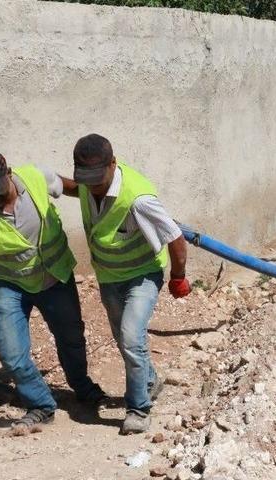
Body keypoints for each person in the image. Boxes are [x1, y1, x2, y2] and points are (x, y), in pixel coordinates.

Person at [0, 150, 104, 432]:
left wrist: (103, 199)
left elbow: (75, 188)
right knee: (11, 354)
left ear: (9, 173)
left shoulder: (37, 177)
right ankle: (42, 405)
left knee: (71, 336)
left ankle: (83, 387)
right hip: (10, 285)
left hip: (55, 277)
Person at [66, 134, 190, 435]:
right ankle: (149, 381)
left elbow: (175, 238)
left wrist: (178, 276)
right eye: (86, 179)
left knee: (132, 337)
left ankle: (138, 408)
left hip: (142, 275)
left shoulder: (139, 198)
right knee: (124, 341)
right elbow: (70, 187)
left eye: (99, 178)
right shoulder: (85, 183)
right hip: (109, 277)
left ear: (114, 163)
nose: (92, 185)